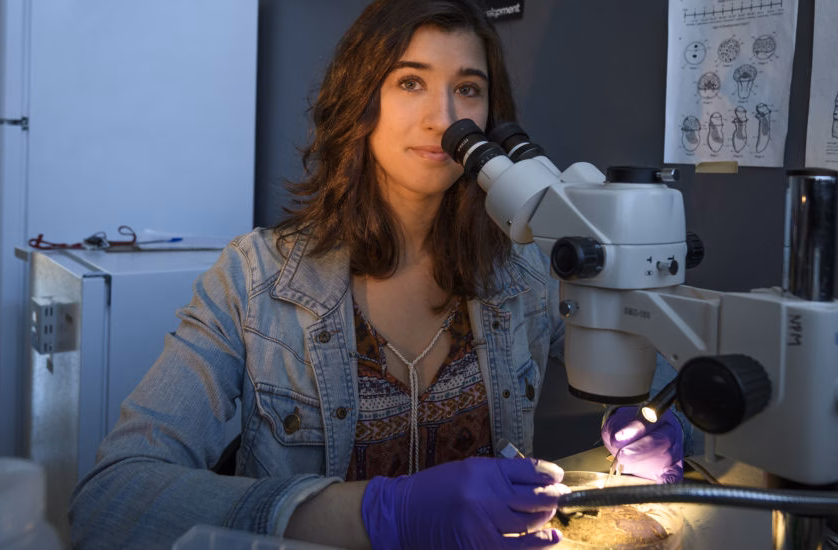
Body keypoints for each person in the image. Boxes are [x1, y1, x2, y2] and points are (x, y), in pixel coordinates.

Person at [69, 1, 683, 548]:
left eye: (468, 89)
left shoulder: (526, 269)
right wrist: (379, 515)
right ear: (361, 99)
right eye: (411, 81)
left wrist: (663, 425)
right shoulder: (253, 278)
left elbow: (672, 398)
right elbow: (110, 501)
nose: (444, 118)